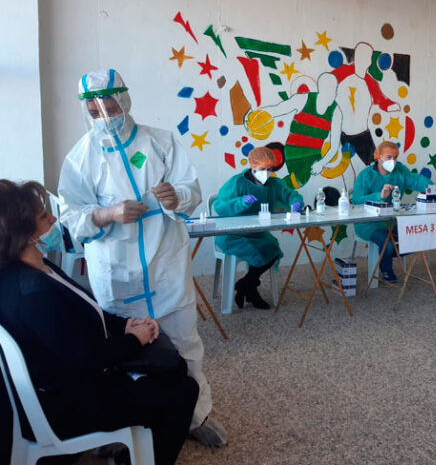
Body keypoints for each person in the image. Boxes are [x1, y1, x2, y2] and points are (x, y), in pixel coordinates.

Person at [57, 69, 226, 446]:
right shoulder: (81, 157)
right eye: (95, 111)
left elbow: (191, 189)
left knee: (185, 342)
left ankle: (194, 417)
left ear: (124, 100)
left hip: (165, 264)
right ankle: (126, 427)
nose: (105, 116)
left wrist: (176, 197)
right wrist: (105, 214)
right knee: (125, 355)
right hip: (116, 273)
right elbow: (70, 216)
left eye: (111, 107)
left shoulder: (161, 142)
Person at [0, 180, 198, 465]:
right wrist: (135, 339)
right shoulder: (31, 292)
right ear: (24, 232)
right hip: (65, 406)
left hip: (69, 383)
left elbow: (86, 308)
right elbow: (85, 359)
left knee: (172, 368)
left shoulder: (37, 268)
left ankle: (135, 450)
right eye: (44, 216)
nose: (54, 219)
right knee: (184, 391)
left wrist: (124, 325)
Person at [214, 146, 304, 309]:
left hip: (257, 233)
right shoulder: (237, 182)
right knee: (258, 251)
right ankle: (250, 289)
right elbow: (219, 206)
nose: (266, 173)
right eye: (262, 169)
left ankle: (245, 285)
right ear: (252, 166)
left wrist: (296, 202)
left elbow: (290, 194)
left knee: (273, 249)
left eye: (270, 169)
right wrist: (241, 202)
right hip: (232, 234)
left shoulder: (274, 184)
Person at [352, 141, 432, 282]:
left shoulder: (400, 172)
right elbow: (357, 200)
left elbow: (416, 180)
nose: (392, 161)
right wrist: (379, 196)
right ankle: (386, 269)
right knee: (388, 244)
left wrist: (431, 189)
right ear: (378, 156)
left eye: (395, 157)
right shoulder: (365, 176)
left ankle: (386, 253)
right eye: (388, 157)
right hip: (368, 223)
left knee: (417, 238)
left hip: (392, 221)